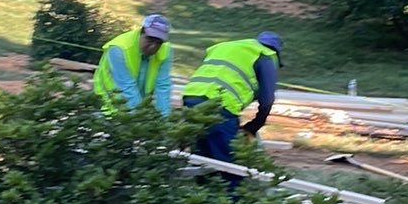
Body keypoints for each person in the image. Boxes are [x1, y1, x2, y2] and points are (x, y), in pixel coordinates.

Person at [179, 32, 284, 164]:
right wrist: (254, 126)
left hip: (191, 99)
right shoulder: (267, 55)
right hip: (220, 107)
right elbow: (267, 99)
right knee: (230, 166)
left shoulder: (230, 46)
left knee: (201, 160)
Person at [93, 13, 173, 117]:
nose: (153, 46)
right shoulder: (119, 49)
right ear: (141, 32)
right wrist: (141, 117)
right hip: (107, 107)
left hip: (136, 111)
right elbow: (126, 87)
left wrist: (164, 119)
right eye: (150, 40)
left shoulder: (166, 50)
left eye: (159, 42)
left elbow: (163, 86)